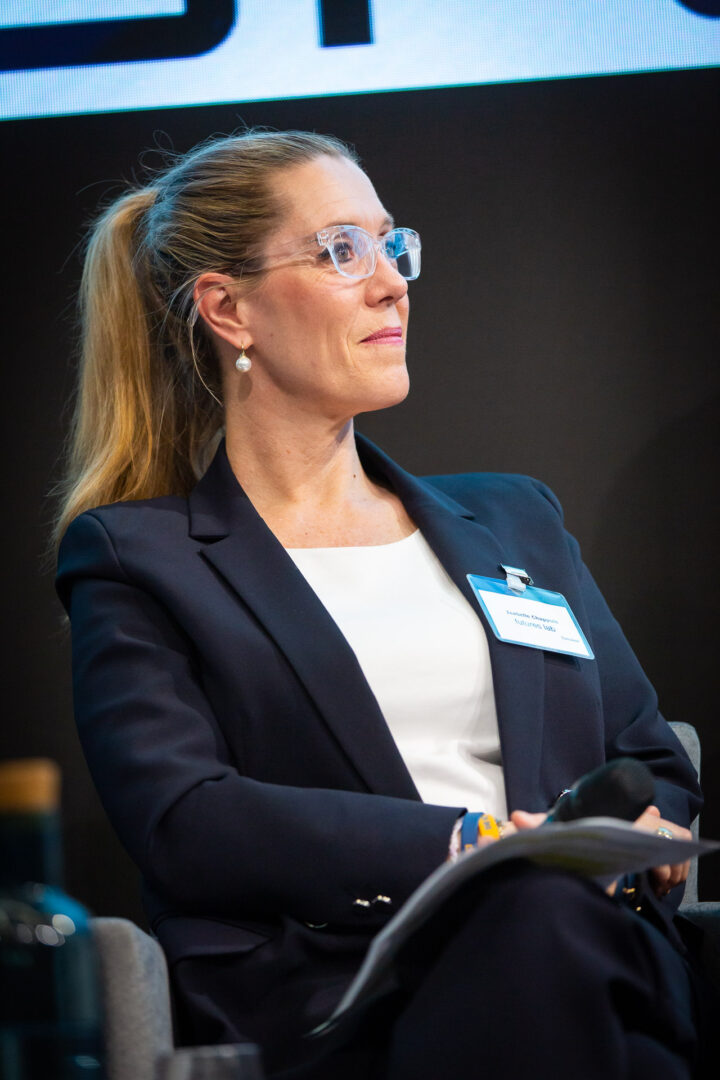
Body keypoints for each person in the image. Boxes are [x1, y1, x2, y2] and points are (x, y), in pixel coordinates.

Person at [54, 129, 710, 1078]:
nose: (393, 283)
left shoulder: (515, 520)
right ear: (228, 309)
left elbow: (650, 760)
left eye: (392, 246)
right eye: (341, 251)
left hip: (595, 947)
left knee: (551, 925)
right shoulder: (140, 559)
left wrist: (650, 828)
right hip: (345, 991)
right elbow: (186, 818)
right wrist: (471, 845)